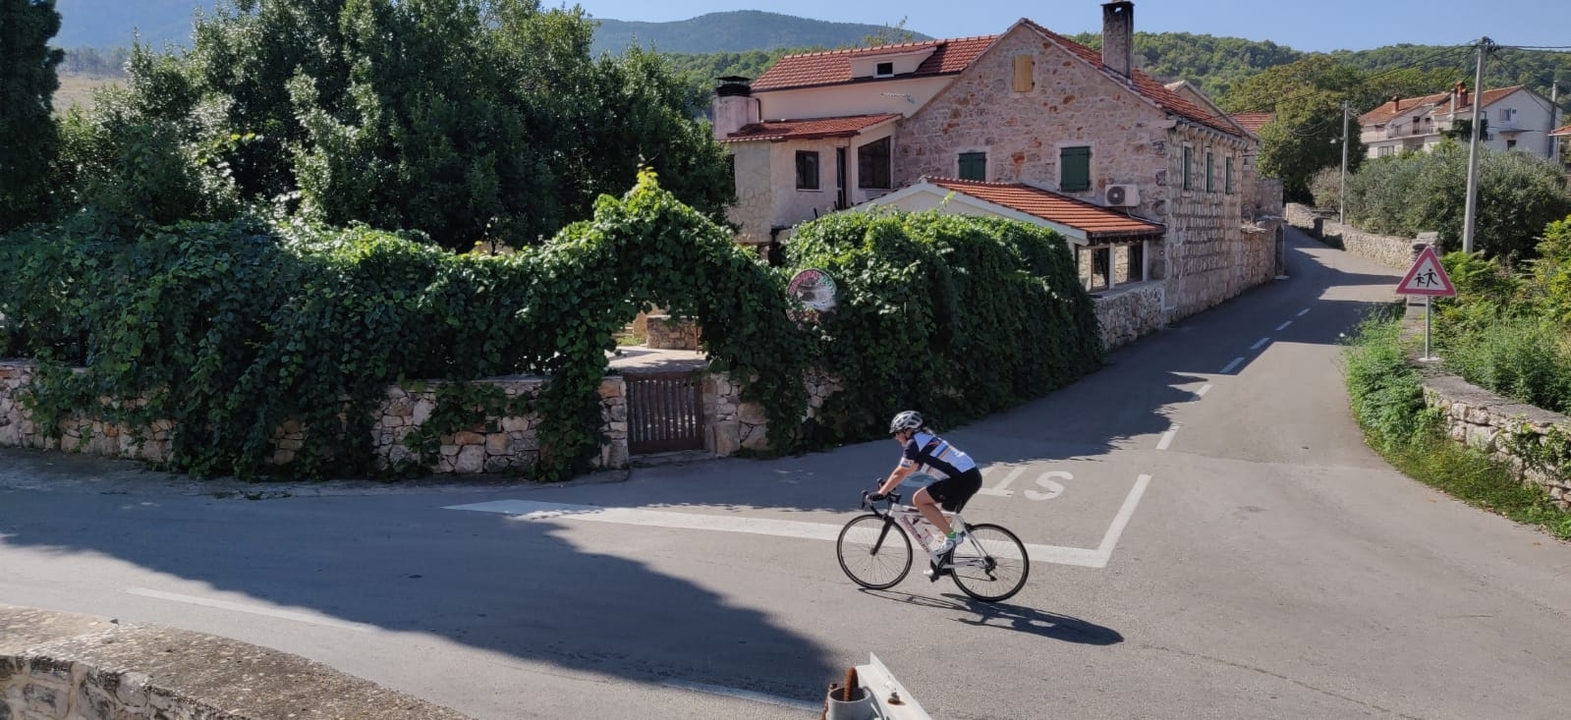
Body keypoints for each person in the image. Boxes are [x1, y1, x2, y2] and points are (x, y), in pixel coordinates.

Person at [870, 410, 983, 576]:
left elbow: (901, 471)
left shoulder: (914, 444)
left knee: (919, 499)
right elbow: (909, 470)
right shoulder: (924, 440)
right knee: (943, 520)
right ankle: (943, 565)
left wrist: (881, 492)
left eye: (897, 433)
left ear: (907, 431)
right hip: (970, 476)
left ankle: (953, 537)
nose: (896, 437)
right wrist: (888, 485)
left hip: (962, 479)